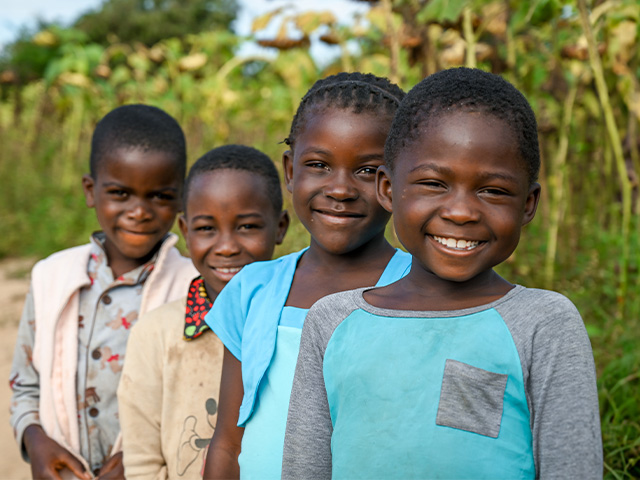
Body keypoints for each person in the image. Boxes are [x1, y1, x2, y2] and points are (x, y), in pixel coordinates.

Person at [282, 68, 603, 479]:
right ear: (388, 188)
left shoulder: (543, 323)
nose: (461, 212)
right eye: (433, 183)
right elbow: (303, 470)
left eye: (493, 191)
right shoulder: (331, 322)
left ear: (528, 203)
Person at [202, 72, 412, 479]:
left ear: (395, 180)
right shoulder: (252, 290)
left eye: (367, 171)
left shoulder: (420, 290)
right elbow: (228, 441)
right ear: (290, 170)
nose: (339, 189)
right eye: (318, 165)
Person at [9, 104, 198, 480]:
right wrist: (35, 440)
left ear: (182, 199)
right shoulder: (50, 277)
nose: (139, 212)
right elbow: (25, 384)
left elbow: (201, 397)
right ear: (91, 191)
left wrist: (142, 459)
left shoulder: (194, 286)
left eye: (160, 196)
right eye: (120, 193)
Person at [118, 145, 290, 480]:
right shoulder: (154, 334)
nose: (226, 246)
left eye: (247, 227)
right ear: (185, 231)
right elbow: (142, 463)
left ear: (280, 227)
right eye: (207, 229)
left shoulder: (294, 323)